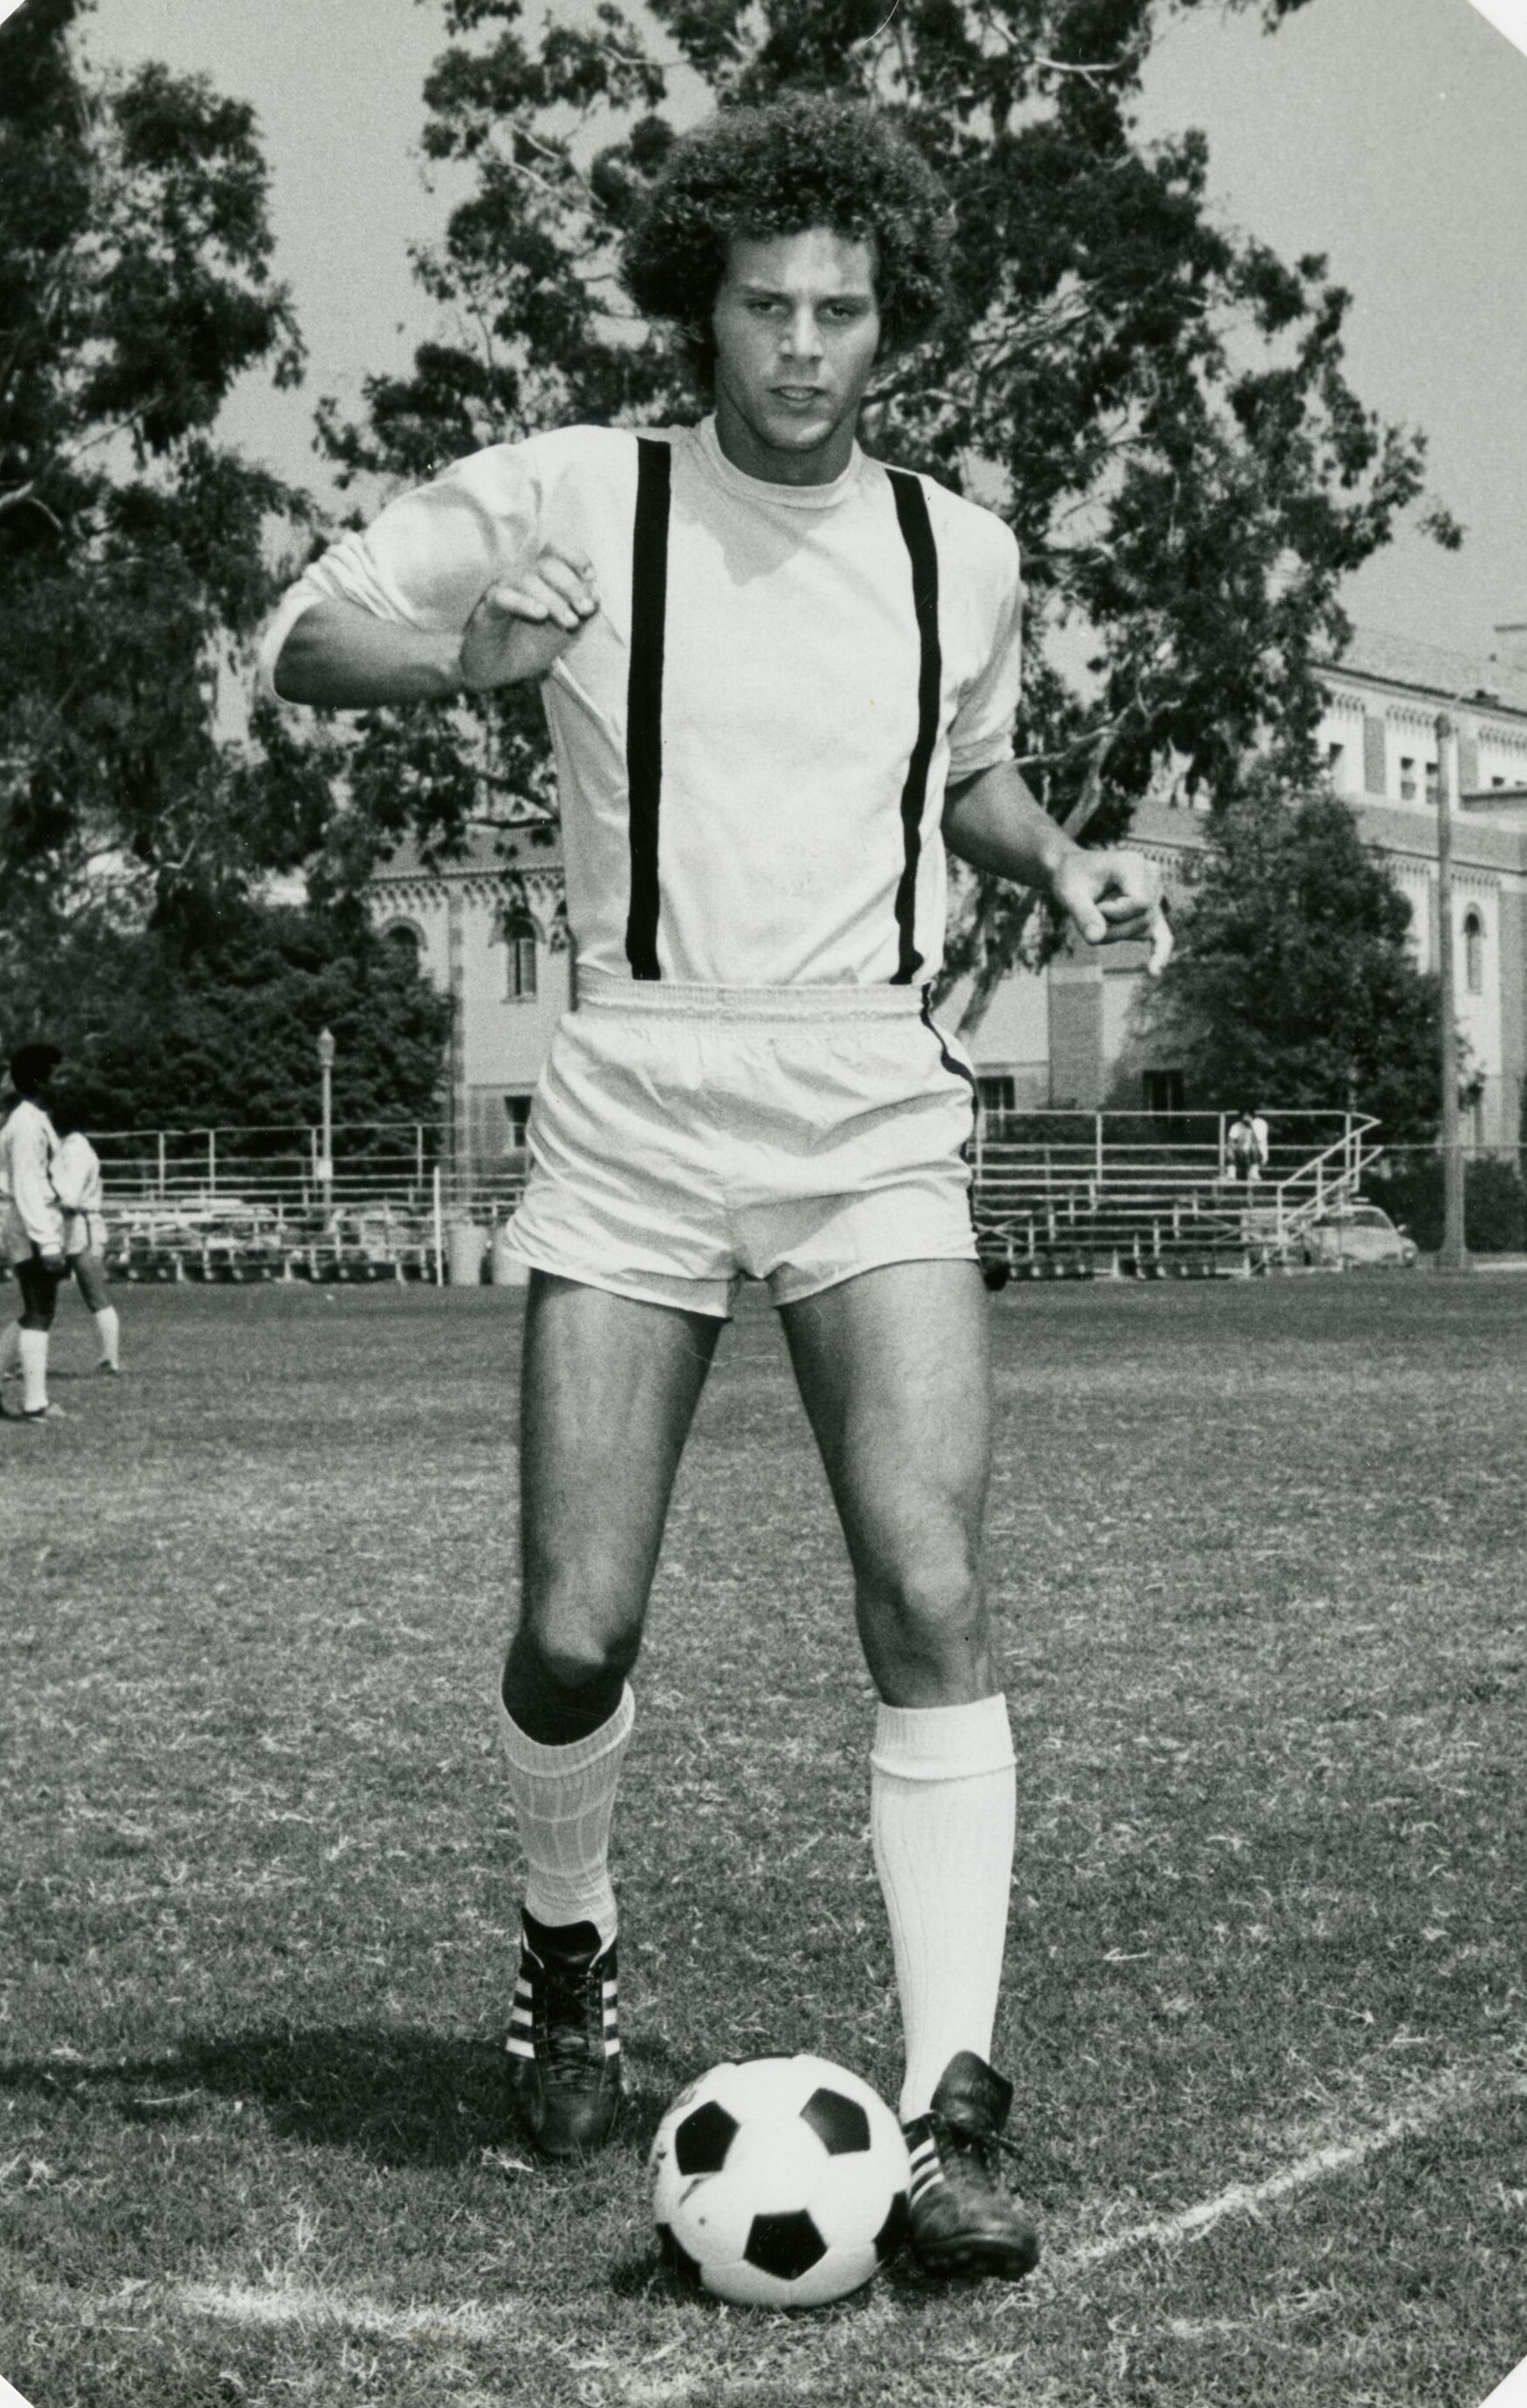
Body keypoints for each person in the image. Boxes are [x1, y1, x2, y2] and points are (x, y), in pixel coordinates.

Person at [261, 94, 1169, 2282]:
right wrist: (468, 657)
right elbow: (306, 641)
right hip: (637, 1094)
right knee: (574, 1628)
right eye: (765, 306)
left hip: (867, 1095)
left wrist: (1057, 857)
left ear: (890, 321)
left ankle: (950, 2109)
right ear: (704, 309)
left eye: (841, 309)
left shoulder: (963, 552)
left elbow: (962, 773)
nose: (803, 346)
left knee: (927, 1587)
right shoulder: (578, 491)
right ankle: (564, 1936)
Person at [0, 1043, 67, 1424]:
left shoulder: (31, 1119)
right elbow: (26, 1185)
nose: (64, 1082)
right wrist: (48, 1240)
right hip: (31, 1225)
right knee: (40, 1311)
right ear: (41, 1079)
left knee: (36, 1310)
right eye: (59, 1074)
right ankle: (35, 1403)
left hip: (32, 1222)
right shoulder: (26, 1124)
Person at [50, 1099, 122, 1375]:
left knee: (94, 1294)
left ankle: (110, 1358)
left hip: (80, 1226)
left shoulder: (76, 1150)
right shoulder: (68, 1148)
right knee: (40, 1298)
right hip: (68, 1226)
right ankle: (13, 1358)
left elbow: (70, 1195)